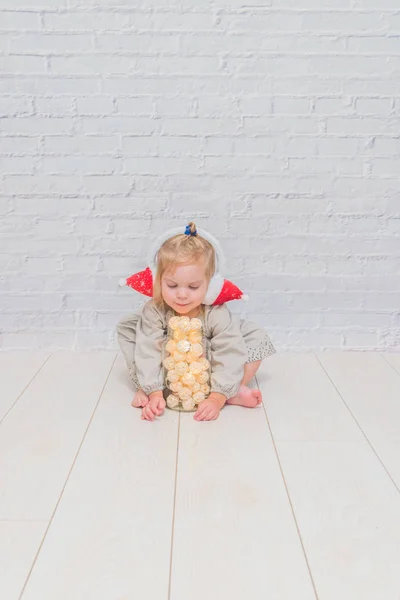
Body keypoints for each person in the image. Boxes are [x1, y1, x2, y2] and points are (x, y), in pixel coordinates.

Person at [117, 222, 275, 422]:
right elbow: (147, 350)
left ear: (211, 286)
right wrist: (153, 391)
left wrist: (217, 397)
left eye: (193, 287)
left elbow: (229, 351)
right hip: (168, 370)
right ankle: (148, 387)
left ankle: (228, 391)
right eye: (172, 285)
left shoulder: (216, 312)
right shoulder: (155, 310)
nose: (182, 294)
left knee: (255, 337)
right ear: (158, 281)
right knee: (130, 329)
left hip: (208, 367)